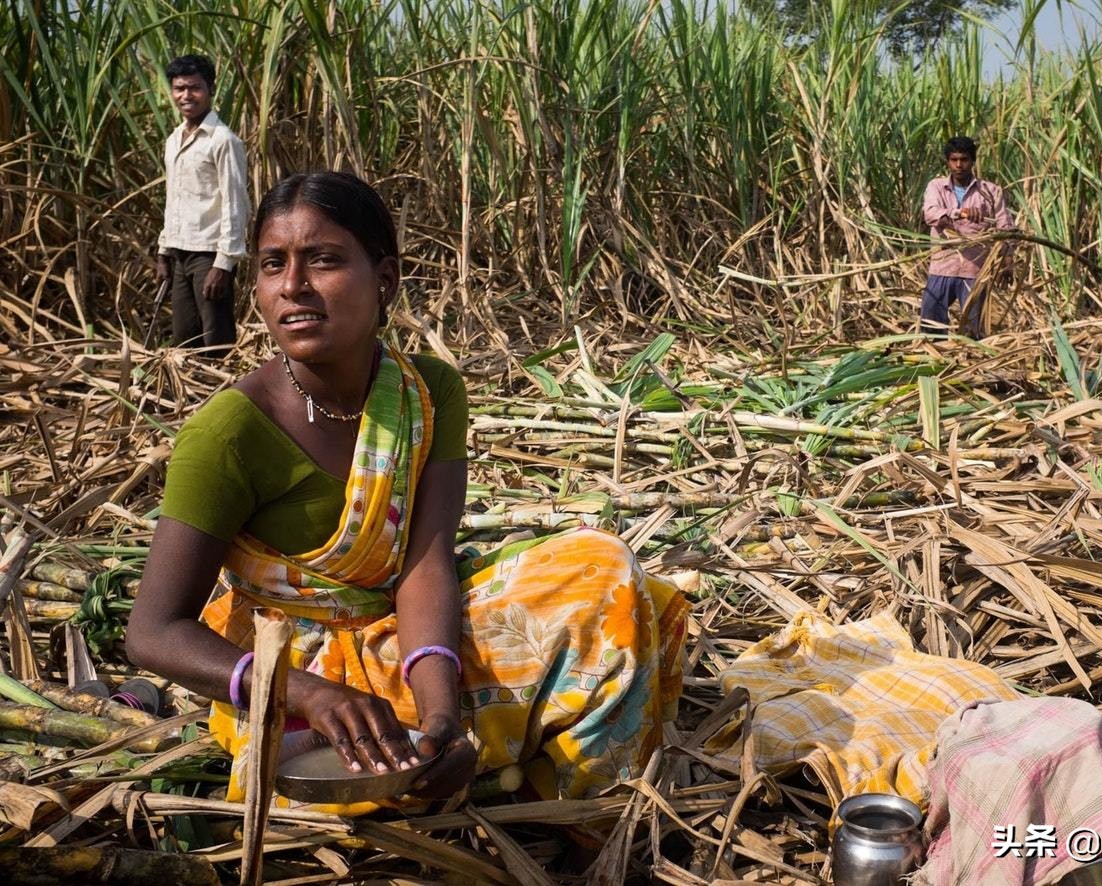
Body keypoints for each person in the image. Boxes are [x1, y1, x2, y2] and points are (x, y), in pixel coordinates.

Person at [126, 172, 688, 812]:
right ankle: (489, 761)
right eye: (272, 265)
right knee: (350, 772)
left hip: (413, 636)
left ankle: (562, 807)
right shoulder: (226, 434)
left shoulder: (426, 393)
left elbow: (425, 565)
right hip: (296, 673)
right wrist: (306, 694)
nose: (292, 287)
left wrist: (442, 712)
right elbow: (153, 631)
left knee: (603, 572)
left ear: (386, 278)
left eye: (324, 261)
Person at [155, 55, 250, 352]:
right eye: (179, 88)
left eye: (194, 88)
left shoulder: (223, 141)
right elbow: (175, 199)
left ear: (210, 89)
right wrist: (164, 251)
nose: (186, 96)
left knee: (216, 339)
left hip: (209, 254)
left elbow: (236, 204)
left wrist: (223, 264)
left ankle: (224, 395)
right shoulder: (173, 140)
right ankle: (190, 398)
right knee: (184, 338)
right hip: (181, 252)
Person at [919, 136, 1015, 338]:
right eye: (954, 160)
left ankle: (973, 365)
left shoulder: (991, 191)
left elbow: (1004, 226)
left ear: (973, 161)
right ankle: (933, 362)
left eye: (964, 160)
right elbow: (931, 214)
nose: (959, 165)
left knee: (974, 326)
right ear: (948, 161)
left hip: (975, 270)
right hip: (943, 265)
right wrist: (960, 213)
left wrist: (1008, 260)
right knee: (931, 322)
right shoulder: (936, 187)